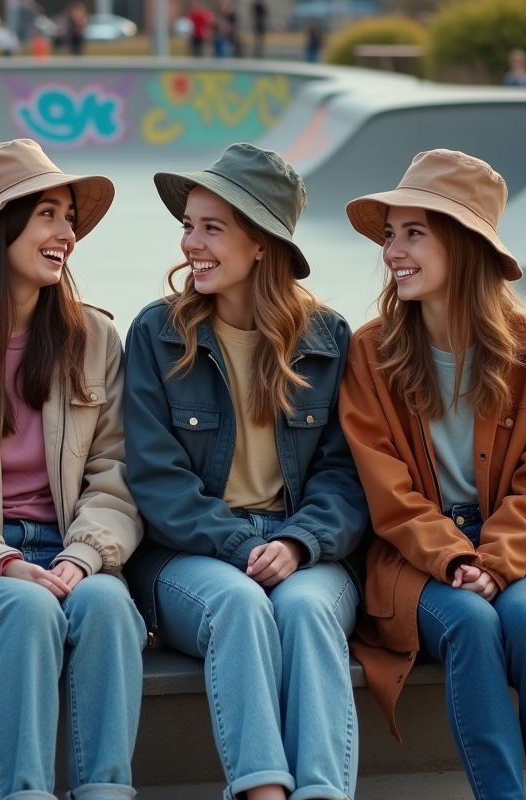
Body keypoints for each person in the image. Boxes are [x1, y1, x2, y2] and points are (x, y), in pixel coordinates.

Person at [341, 149, 526, 800]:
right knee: (469, 621)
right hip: (414, 559)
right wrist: (456, 559)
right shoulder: (371, 352)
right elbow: (388, 492)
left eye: (414, 233)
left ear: (463, 245)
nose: (393, 251)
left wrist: (495, 557)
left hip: (525, 552)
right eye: (390, 234)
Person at [124, 143, 369, 800]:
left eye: (212, 228)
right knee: (238, 605)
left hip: (302, 546)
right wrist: (242, 544)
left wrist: (296, 542)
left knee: (309, 614)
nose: (190, 244)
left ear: (261, 243)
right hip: (190, 551)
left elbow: (346, 477)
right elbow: (155, 477)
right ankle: (263, 794)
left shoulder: (327, 339)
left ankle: (322, 792)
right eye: (188, 226)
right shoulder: (157, 334)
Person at [0, 138, 145, 800]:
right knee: (28, 613)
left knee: (108, 608)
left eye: (69, 216)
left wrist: (86, 556)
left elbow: (116, 470)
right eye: (47, 214)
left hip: (73, 553)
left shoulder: (94, 341)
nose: (66, 232)